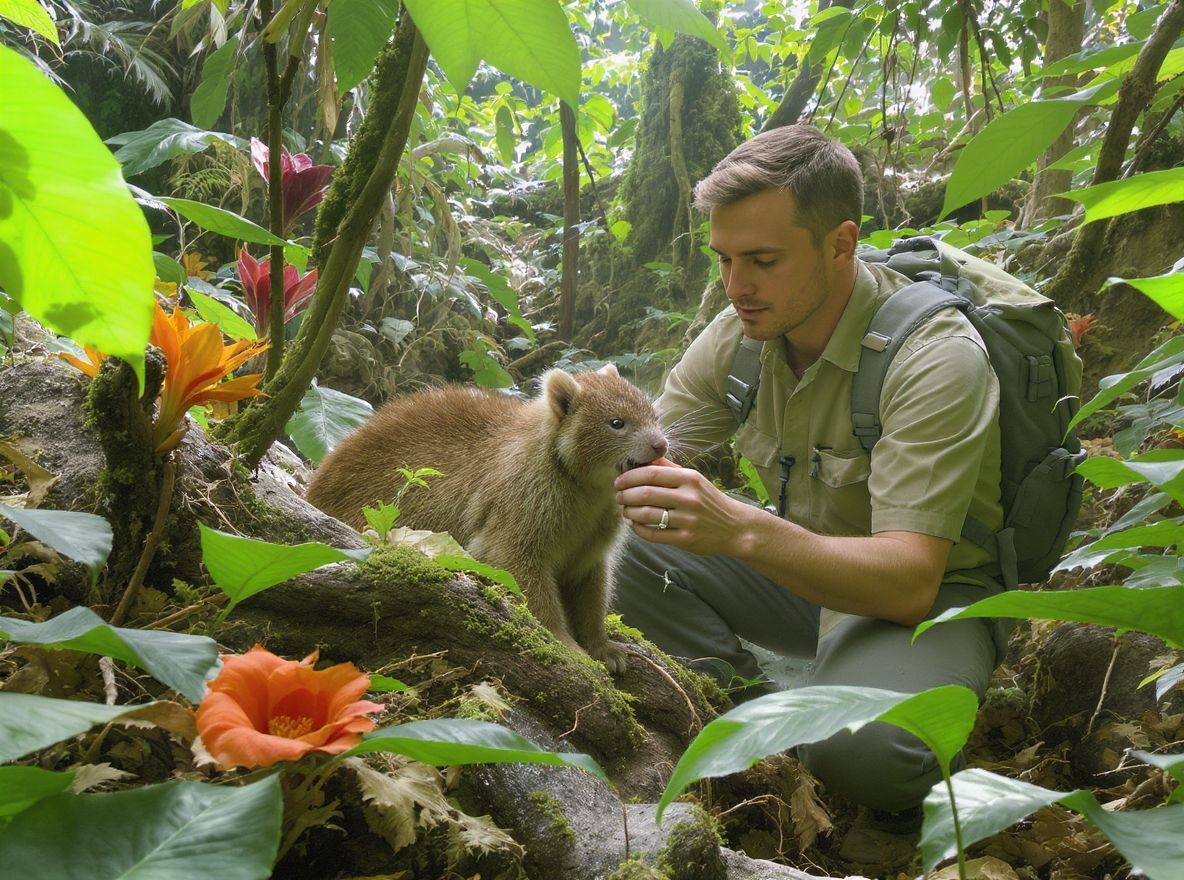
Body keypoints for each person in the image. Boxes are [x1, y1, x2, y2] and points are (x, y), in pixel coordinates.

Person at [612, 124, 1008, 824]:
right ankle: (750, 736)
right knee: (625, 532)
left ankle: (831, 720)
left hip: (926, 597)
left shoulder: (933, 357)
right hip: (805, 574)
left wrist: (738, 528)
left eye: (762, 259)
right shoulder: (742, 333)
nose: (736, 287)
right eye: (724, 260)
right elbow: (636, 459)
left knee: (868, 755)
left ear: (840, 243)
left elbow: (911, 581)